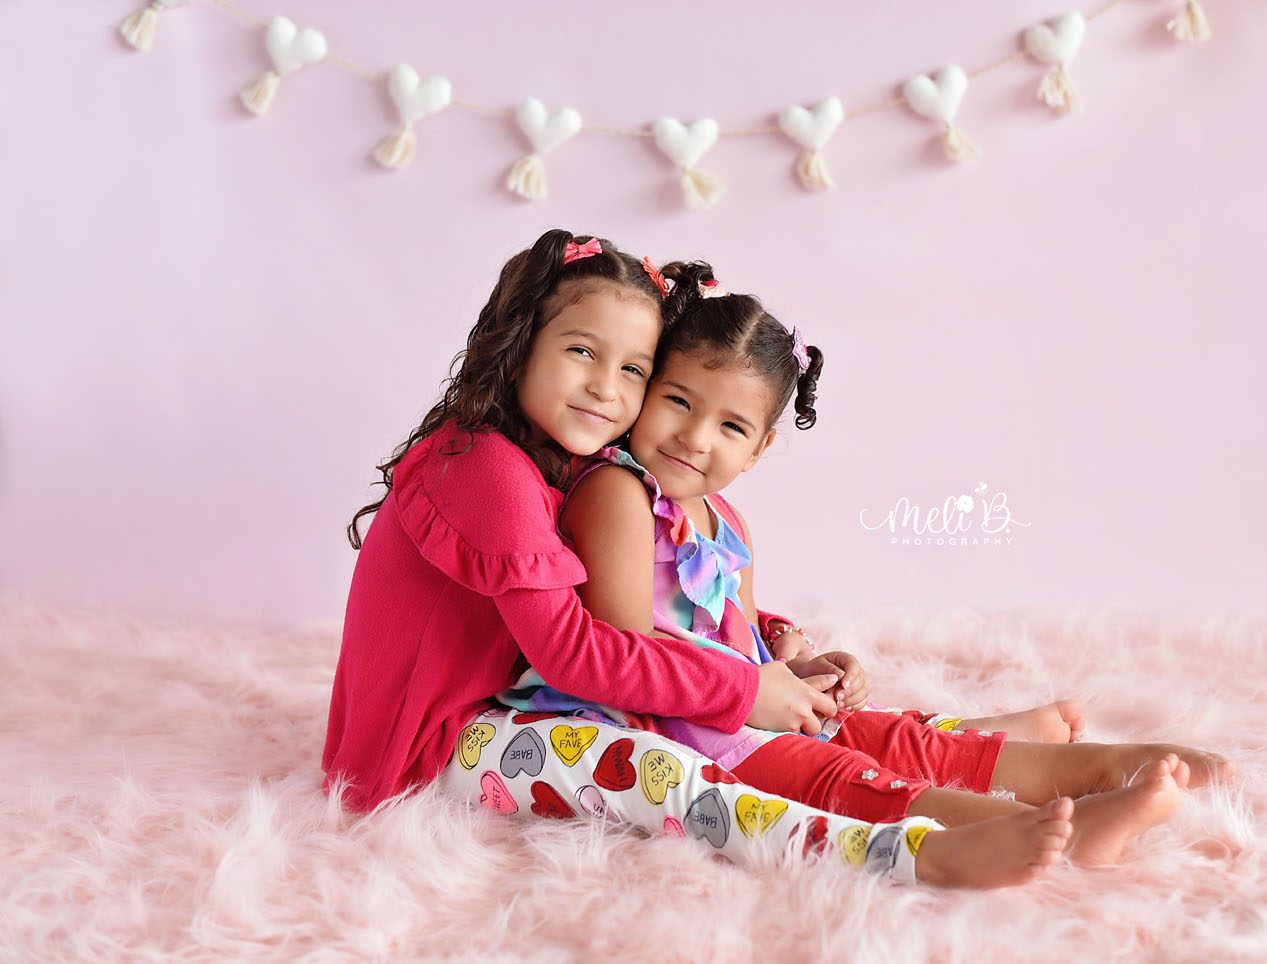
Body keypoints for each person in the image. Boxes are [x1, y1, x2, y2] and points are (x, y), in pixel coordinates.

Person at [509, 260, 1235, 880]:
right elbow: (625, 650)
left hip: (730, 705)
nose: (695, 438)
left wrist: (791, 657)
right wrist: (748, 693)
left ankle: (1101, 771)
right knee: (843, 778)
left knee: (889, 738)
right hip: (669, 725)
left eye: (729, 426)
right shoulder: (618, 492)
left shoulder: (721, 518)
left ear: (758, 449)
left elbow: (738, 635)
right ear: (646, 393)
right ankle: (1037, 831)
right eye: (676, 402)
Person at [324, 229, 972, 887]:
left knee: (779, 728)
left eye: (632, 369)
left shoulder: (554, 458)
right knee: (653, 767)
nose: (606, 389)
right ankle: (894, 850)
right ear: (520, 346)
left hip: (508, 706)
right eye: (581, 351)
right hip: (423, 752)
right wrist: (743, 689)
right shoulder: (485, 467)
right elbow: (577, 653)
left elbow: (635, 596)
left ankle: (973, 767)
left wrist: (767, 640)